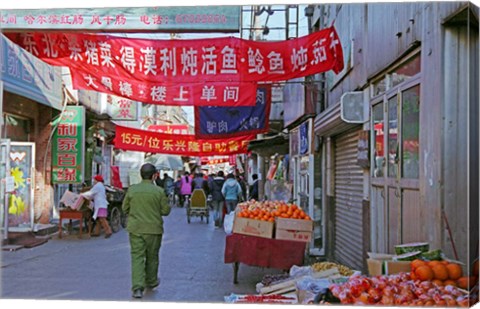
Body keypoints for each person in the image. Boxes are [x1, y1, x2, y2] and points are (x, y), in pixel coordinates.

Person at [122, 163, 171, 299]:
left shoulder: (132, 190)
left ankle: (137, 288)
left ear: (140, 174)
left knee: (137, 257)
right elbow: (165, 211)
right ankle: (151, 281)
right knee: (152, 256)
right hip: (154, 229)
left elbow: (125, 208)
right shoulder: (159, 191)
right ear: (154, 175)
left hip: (136, 228)